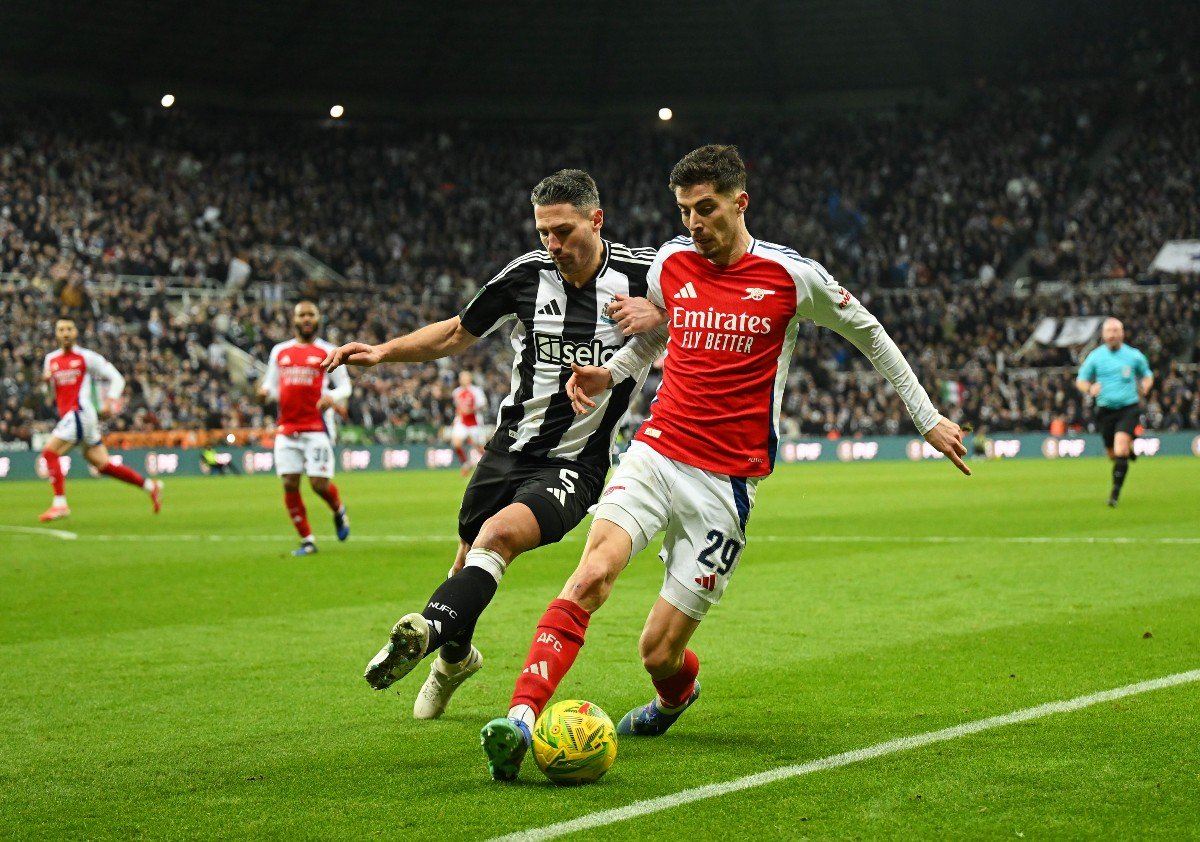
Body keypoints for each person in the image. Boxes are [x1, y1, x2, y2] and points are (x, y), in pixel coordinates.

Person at [479, 144, 970, 781]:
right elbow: (661, 334)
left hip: (725, 484)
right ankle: (519, 719)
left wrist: (926, 416)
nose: (693, 224)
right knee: (593, 574)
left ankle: (675, 694)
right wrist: (611, 373)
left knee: (657, 652)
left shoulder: (791, 276)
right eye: (684, 211)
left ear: (741, 202)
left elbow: (870, 332)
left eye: (705, 209)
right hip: (657, 451)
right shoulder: (670, 261)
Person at [322, 169, 664, 720]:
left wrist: (662, 310)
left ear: (596, 221)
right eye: (543, 233)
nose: (552, 245)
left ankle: (428, 631)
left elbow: (706, 302)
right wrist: (383, 352)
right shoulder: (525, 275)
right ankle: (454, 659)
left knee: (498, 535)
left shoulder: (644, 272)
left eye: (563, 231)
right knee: (466, 561)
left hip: (577, 460)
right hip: (508, 448)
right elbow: (458, 332)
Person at [38, 317, 163, 521]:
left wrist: (110, 400)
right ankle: (151, 486)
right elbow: (49, 396)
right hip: (73, 417)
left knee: (50, 453)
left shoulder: (86, 357)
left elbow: (117, 377)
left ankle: (60, 504)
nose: (66, 333)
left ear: (76, 332)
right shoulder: (50, 360)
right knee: (102, 464)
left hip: (80, 413)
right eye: (61, 329)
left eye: (69, 328)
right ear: (56, 334)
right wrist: (45, 384)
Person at [259, 301, 352, 556]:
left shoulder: (328, 351)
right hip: (287, 428)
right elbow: (272, 386)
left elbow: (345, 386)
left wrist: (332, 396)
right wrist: (264, 393)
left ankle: (338, 510)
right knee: (289, 483)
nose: (307, 318)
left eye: (311, 314)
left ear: (318, 319)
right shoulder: (280, 351)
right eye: (302, 314)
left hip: (316, 428)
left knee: (319, 484)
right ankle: (307, 540)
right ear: (294, 319)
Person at [1075, 317, 1153, 507]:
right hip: (1105, 410)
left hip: (1128, 407)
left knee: (1120, 448)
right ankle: (1129, 446)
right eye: (1109, 331)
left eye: (1115, 331)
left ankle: (1114, 495)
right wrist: (1089, 389)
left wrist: (1145, 386)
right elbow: (1081, 380)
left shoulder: (1134, 356)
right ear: (1103, 334)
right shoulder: (1095, 356)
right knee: (1112, 454)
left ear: (1122, 333)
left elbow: (1147, 374)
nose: (1112, 335)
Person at [450, 371, 489, 475]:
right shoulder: (456, 392)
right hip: (461, 422)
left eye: (466, 377)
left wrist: (471, 410)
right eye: (462, 377)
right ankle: (465, 463)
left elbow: (483, 405)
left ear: (470, 378)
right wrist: (455, 420)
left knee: (481, 448)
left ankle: (489, 468)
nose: (463, 379)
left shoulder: (476, 391)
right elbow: (458, 408)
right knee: (456, 443)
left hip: (475, 422)